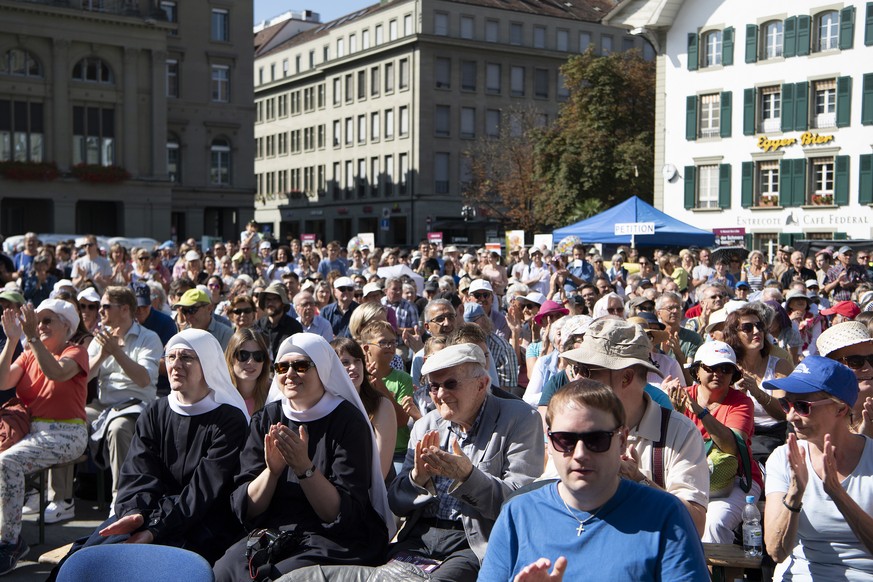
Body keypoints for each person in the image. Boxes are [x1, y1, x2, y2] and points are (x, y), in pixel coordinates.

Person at [48, 329, 249, 576]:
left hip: (203, 520)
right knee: (86, 559)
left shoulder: (229, 420)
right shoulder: (156, 411)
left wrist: (155, 529)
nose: (176, 365)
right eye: (171, 357)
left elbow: (205, 489)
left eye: (187, 357)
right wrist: (135, 513)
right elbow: (137, 473)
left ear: (207, 364)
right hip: (149, 512)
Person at [479, 380, 709, 581]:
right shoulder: (517, 514)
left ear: (622, 440)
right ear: (549, 441)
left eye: (596, 439)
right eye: (565, 440)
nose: (579, 453)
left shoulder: (667, 516)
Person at [212, 333, 393, 581]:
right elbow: (247, 507)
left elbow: (339, 515)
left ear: (324, 371)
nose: (289, 374)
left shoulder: (348, 421)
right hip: (276, 531)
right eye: (282, 367)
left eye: (301, 366)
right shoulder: (267, 419)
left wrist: (304, 468)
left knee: (280, 577)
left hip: (333, 538)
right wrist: (272, 473)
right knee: (225, 570)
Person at [387, 343, 543, 581]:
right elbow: (396, 503)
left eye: (450, 384)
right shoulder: (425, 425)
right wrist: (417, 479)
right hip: (420, 536)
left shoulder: (520, 419)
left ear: (482, 384)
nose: (440, 394)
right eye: (434, 386)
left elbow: (520, 504)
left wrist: (468, 477)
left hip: (473, 542)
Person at [548, 319, 708, 535]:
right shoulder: (572, 425)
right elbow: (547, 496)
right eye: (577, 369)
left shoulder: (679, 432)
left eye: (587, 371)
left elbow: (695, 525)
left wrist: (639, 481)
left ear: (626, 378)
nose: (577, 379)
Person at [763, 356, 873, 580]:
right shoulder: (782, 459)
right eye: (786, 403)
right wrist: (794, 494)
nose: (790, 415)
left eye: (803, 407)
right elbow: (776, 552)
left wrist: (838, 494)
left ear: (841, 409)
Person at [0, 300, 89, 575]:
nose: (40, 325)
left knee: (7, 463)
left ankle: (10, 542)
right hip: (33, 434)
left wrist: (33, 338)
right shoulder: (28, 353)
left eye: (48, 320)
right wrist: (12, 339)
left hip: (68, 432)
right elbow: (2, 382)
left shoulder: (76, 351)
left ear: (67, 326)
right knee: (7, 462)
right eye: (38, 320)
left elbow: (57, 372)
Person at [669, 341, 763, 544]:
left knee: (714, 524)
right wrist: (674, 411)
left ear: (733, 374)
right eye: (710, 368)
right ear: (697, 371)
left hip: (737, 481)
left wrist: (700, 412)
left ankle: (722, 576)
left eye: (726, 369)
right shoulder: (679, 396)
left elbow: (731, 447)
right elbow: (668, 444)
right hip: (691, 478)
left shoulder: (741, 401)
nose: (718, 374)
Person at [86, 286, 164, 504]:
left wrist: (117, 352)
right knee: (70, 418)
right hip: (103, 405)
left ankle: (120, 498)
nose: (99, 312)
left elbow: (143, 379)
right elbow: (84, 377)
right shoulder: (100, 340)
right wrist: (103, 353)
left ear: (125, 309)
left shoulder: (149, 338)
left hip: (136, 405)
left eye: (105, 307)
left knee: (119, 428)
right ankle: (62, 497)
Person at [723, 306, 793, 462]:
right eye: (748, 328)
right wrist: (738, 396)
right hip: (740, 433)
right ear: (734, 335)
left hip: (775, 437)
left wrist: (757, 392)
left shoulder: (779, 366)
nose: (756, 331)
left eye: (760, 326)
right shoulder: (727, 368)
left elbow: (783, 412)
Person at [331, 337, 397, 480]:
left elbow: (380, 473)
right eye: (345, 362)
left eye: (357, 360)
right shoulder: (326, 405)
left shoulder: (381, 405)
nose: (354, 367)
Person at [225, 327, 272, 416]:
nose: (251, 362)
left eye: (258, 355)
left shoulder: (273, 394)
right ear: (230, 358)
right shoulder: (218, 395)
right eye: (243, 355)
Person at [252, 282, 303, 357]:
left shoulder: (294, 326)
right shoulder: (258, 325)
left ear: (283, 303)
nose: (270, 303)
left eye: (274, 299)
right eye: (268, 300)